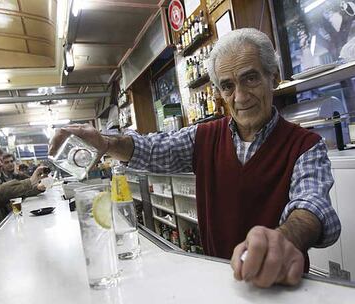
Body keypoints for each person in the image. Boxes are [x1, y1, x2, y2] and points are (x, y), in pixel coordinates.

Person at [49, 28, 341, 288]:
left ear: (272, 78)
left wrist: (286, 238)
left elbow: (311, 207)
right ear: (219, 92)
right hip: (218, 281)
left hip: (285, 284)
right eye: (227, 85)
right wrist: (105, 142)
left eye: (250, 78)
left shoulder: (306, 144)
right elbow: (150, 149)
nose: (239, 96)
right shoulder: (203, 137)